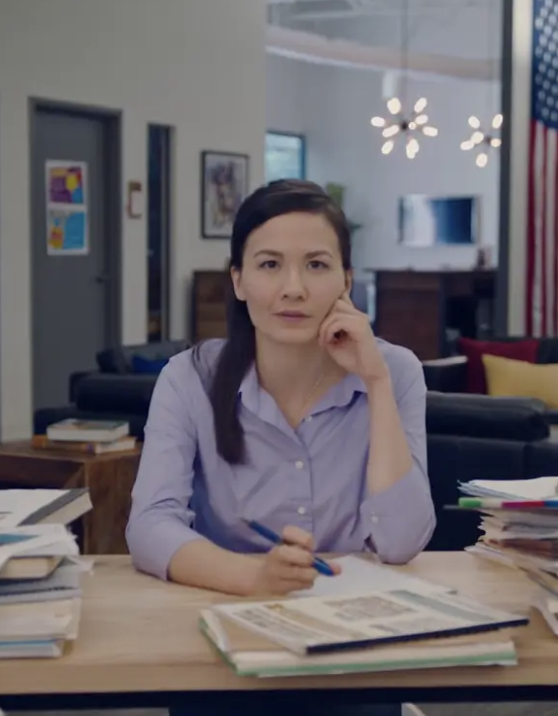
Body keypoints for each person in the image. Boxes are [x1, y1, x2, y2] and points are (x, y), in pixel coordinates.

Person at [126, 179, 436, 716]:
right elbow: (150, 527)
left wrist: (376, 383)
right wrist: (254, 578)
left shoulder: (395, 371)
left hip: (357, 651)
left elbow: (402, 540)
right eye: (270, 265)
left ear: (346, 280)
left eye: (316, 265)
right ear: (239, 280)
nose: (293, 288)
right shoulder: (188, 378)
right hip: (225, 643)